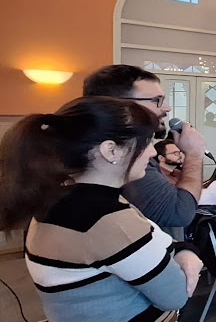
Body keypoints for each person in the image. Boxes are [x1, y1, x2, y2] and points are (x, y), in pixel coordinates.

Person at [0, 97, 201, 321]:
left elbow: (153, 241)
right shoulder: (105, 218)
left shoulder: (67, 198)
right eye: (145, 143)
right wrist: (188, 253)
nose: (152, 153)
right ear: (111, 150)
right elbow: (176, 295)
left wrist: (183, 249)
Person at [83, 64, 207, 240]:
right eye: (156, 100)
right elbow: (179, 213)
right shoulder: (123, 154)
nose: (167, 107)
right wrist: (194, 153)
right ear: (120, 104)